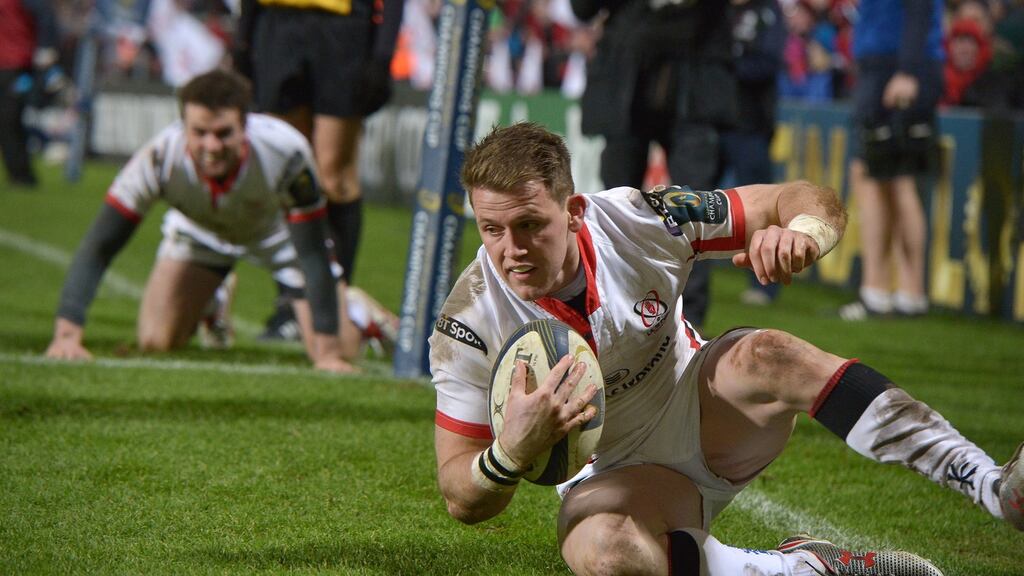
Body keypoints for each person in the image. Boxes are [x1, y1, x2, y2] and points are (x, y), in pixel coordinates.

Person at [429, 122, 1023, 576]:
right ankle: (798, 568)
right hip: (609, 471)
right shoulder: (468, 322)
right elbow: (460, 493)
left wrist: (803, 235)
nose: (513, 248)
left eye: (531, 223)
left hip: (710, 410)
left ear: (575, 211)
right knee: (608, 555)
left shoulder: (640, 219)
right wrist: (508, 453)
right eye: (492, 229)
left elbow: (800, 195)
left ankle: (992, 486)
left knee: (767, 352)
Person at [44, 69, 355, 374]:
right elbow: (100, 245)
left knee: (341, 349)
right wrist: (67, 337)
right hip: (200, 234)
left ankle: (361, 311)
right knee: (155, 340)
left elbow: (313, 253)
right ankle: (213, 302)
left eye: (223, 133)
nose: (212, 147)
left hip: (279, 237)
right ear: (183, 127)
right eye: (200, 133)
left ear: (244, 125)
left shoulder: (287, 152)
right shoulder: (157, 158)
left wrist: (327, 354)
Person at [235, 0, 403, 340]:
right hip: (278, 22)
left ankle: (334, 303)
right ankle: (291, 305)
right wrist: (243, 37)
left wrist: (383, 53)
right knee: (286, 173)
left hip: (343, 27)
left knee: (334, 175)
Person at [570, 0, 737, 332]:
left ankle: (690, 329)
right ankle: (609, 316)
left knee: (698, 211)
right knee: (613, 211)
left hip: (695, 79)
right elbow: (583, 8)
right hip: (626, 81)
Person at [838, 0, 943, 321]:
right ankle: (888, 291)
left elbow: (919, 9)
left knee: (894, 180)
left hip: (896, 68)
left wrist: (908, 71)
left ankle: (897, 291)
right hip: (888, 66)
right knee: (882, 179)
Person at [722, 0, 786, 306]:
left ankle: (764, 283)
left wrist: (726, 64)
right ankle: (685, 284)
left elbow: (770, 62)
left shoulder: (767, 10)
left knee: (760, 210)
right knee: (689, 200)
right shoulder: (716, 10)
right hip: (713, 121)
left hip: (751, 125)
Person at [0, 0, 60, 188]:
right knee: (8, 121)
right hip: (6, 63)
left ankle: (21, 174)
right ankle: (19, 173)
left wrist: (45, 47)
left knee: (9, 119)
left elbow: (46, 16)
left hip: (18, 65)